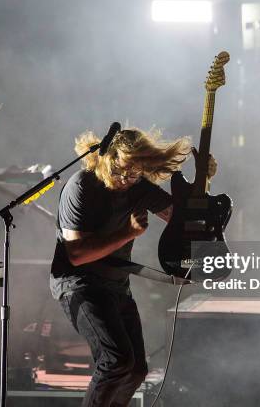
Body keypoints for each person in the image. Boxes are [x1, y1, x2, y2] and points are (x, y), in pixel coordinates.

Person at [50, 128, 217, 407]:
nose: (126, 180)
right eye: (121, 172)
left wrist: (204, 180)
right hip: (79, 284)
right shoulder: (81, 186)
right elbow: (77, 255)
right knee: (116, 361)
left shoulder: (138, 188)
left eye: (135, 174)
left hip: (116, 285)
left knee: (137, 370)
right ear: (106, 159)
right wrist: (128, 233)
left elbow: (185, 223)